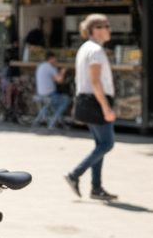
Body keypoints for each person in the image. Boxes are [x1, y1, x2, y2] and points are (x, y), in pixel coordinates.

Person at [64, 14, 118, 201]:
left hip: (87, 100)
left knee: (100, 146)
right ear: (96, 29)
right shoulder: (95, 50)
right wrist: (106, 107)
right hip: (96, 101)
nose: (109, 30)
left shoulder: (85, 48)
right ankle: (75, 174)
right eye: (106, 26)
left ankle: (96, 188)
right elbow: (95, 81)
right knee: (107, 144)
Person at [34, 51, 69, 127]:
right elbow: (59, 80)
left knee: (51, 104)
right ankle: (54, 119)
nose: (55, 61)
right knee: (66, 99)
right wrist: (63, 72)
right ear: (51, 58)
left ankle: (56, 119)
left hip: (40, 93)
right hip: (50, 95)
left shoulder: (40, 66)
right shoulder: (50, 67)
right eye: (55, 59)